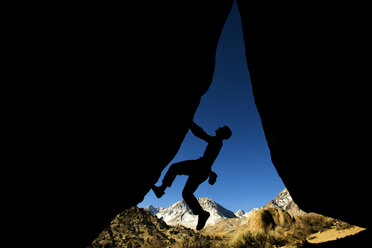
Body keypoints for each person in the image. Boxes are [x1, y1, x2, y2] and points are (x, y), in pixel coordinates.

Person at [151, 121, 232, 230]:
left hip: (200, 167)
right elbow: (209, 158)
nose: (219, 127)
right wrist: (211, 173)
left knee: (174, 168)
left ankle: (161, 190)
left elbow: (201, 134)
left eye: (221, 128)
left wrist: (190, 122)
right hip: (203, 170)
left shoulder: (216, 141)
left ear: (223, 134)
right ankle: (202, 214)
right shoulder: (217, 143)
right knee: (186, 193)